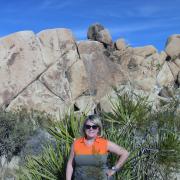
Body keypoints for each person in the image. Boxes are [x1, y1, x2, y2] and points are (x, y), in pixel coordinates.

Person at [66, 114, 129, 180]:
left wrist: (114, 169)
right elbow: (70, 164)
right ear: (84, 128)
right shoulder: (76, 143)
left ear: (98, 129)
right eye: (88, 126)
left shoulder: (105, 143)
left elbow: (125, 153)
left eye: (94, 127)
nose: (91, 129)